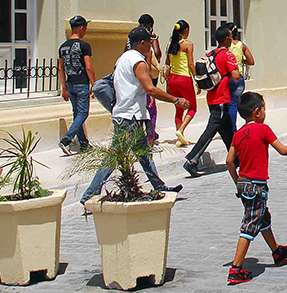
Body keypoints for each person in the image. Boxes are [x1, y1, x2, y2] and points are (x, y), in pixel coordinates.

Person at [80, 27, 185, 204]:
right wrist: (176, 100)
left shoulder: (123, 58)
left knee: (144, 154)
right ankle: (89, 195)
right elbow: (150, 88)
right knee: (113, 158)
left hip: (129, 115)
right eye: (150, 42)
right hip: (129, 117)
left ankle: (158, 185)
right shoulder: (138, 61)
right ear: (142, 43)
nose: (152, 45)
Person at [225, 92, 287, 284]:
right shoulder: (263, 129)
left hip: (243, 183)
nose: (265, 112)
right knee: (250, 225)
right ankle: (236, 268)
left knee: (262, 217)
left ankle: (277, 252)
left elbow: (229, 161)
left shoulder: (238, 134)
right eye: (264, 108)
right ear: (257, 112)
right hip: (256, 185)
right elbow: (282, 150)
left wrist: (237, 182)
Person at [183, 26, 242, 176]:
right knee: (211, 130)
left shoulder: (211, 54)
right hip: (222, 98)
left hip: (212, 98)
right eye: (230, 36)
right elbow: (235, 76)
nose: (232, 38)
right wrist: (237, 71)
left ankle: (236, 158)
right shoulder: (228, 55)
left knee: (228, 131)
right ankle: (192, 160)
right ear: (226, 39)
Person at [58, 15, 96, 155]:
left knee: (77, 114)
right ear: (81, 28)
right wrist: (94, 83)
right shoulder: (84, 46)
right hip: (81, 83)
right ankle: (66, 140)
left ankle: (83, 143)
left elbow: (60, 68)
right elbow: (89, 67)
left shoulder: (62, 47)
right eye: (85, 27)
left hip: (70, 84)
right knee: (83, 113)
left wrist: (64, 88)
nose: (85, 30)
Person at [165, 20, 198, 146]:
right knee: (192, 108)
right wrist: (197, 80)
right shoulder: (188, 45)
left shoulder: (170, 45)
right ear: (186, 30)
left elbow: (167, 64)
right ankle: (181, 130)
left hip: (173, 79)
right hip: (184, 79)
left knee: (179, 109)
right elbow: (190, 64)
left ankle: (181, 138)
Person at [226, 23, 255, 131]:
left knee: (225, 104)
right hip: (238, 77)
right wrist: (241, 60)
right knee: (234, 104)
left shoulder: (225, 46)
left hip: (227, 76)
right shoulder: (241, 45)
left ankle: (227, 128)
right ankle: (233, 128)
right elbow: (251, 61)